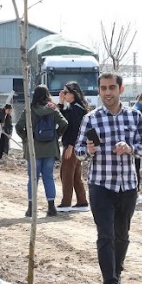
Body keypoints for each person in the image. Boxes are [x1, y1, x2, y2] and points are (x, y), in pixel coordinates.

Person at [75, 72, 142, 284]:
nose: (108, 92)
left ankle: (116, 271)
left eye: (112, 88)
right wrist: (88, 149)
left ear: (121, 89)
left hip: (127, 185)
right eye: (103, 88)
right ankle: (109, 283)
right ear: (99, 90)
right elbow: (77, 151)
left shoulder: (134, 116)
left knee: (122, 235)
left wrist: (130, 148)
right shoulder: (91, 119)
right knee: (105, 234)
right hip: (100, 185)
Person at [15, 85, 67, 217]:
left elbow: (19, 126)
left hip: (34, 149)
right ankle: (51, 208)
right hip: (50, 149)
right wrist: (56, 135)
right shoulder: (52, 108)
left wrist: (26, 138)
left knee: (33, 178)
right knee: (48, 177)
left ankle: (31, 208)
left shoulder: (29, 110)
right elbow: (64, 124)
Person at [56, 81, 90, 212]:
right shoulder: (74, 107)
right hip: (75, 144)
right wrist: (61, 103)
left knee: (66, 173)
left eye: (66, 92)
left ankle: (66, 203)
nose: (63, 94)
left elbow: (75, 129)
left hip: (73, 145)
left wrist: (71, 145)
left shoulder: (76, 109)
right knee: (75, 174)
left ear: (73, 94)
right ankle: (82, 201)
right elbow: (63, 120)